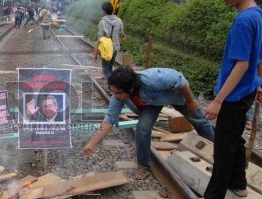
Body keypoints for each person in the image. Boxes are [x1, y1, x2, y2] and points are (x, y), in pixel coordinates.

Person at [188, 0, 262, 199]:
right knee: (235, 138)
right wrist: (258, 83)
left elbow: (242, 63)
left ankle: (213, 198)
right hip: (246, 90)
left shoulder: (243, 20)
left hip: (234, 94)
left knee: (223, 144)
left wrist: (219, 99)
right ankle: (238, 183)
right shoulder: (258, 15)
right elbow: (260, 56)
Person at [83, 66, 214, 180]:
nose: (115, 96)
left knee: (200, 122)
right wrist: (91, 144)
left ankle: (216, 151)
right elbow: (110, 119)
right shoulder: (118, 96)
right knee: (142, 129)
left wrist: (190, 101)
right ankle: (143, 165)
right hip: (151, 103)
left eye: (118, 92)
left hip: (175, 95)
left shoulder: (152, 79)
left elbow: (180, 81)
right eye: (113, 92)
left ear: (130, 88)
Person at [245, 30, 262, 131]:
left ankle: (256, 122)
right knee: (252, 92)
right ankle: (255, 121)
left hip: (254, 69)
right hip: (256, 68)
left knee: (253, 92)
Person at [94, 2, 124, 80]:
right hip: (116, 47)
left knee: (105, 67)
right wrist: (117, 45)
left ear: (104, 11)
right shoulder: (119, 21)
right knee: (110, 65)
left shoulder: (102, 22)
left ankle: (111, 84)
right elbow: (121, 34)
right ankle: (110, 80)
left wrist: (96, 51)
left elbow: (100, 37)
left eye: (102, 10)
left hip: (106, 48)